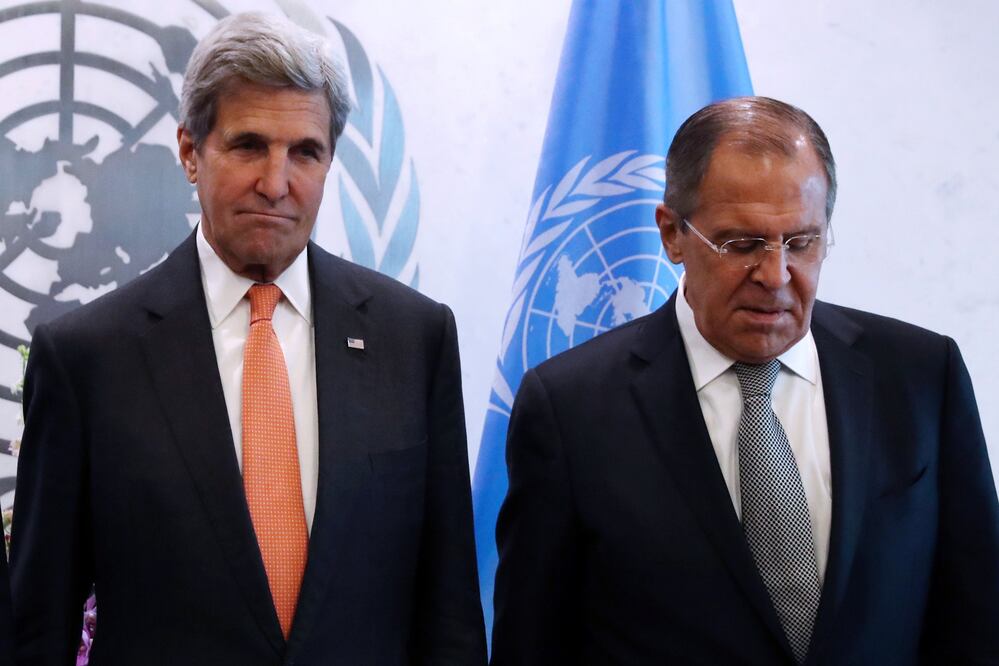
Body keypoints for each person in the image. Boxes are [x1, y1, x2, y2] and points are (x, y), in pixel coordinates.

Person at [11, 12, 486, 665]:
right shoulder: (87, 358)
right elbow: (37, 625)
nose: (276, 183)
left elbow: (450, 616)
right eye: (247, 146)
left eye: (305, 152)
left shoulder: (414, 338)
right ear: (188, 152)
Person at [490, 96, 999, 665]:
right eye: (742, 244)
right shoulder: (569, 409)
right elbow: (531, 647)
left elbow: (975, 622)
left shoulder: (922, 376)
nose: (776, 275)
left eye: (802, 242)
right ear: (672, 235)